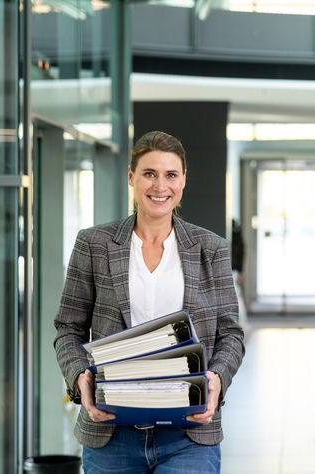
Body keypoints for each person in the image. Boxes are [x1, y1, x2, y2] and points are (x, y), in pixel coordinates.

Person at [54, 131, 245, 474]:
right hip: (111, 432)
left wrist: (216, 379)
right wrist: (79, 378)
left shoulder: (210, 249)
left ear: (183, 180)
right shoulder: (93, 244)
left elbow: (231, 334)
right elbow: (68, 327)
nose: (161, 186)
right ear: (131, 177)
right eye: (149, 174)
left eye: (171, 175)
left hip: (188, 431)